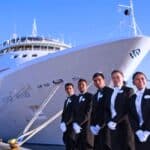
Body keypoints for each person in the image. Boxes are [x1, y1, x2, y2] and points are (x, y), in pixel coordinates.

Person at [105, 70, 135, 150]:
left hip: (125, 125)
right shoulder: (110, 93)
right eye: (113, 78)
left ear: (122, 78)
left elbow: (127, 108)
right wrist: (108, 121)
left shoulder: (129, 90)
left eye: (117, 77)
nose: (115, 79)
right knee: (115, 147)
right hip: (113, 127)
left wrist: (115, 121)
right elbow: (107, 109)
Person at [90, 72, 113, 150]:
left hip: (107, 130)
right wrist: (92, 125)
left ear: (104, 80)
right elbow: (92, 112)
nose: (97, 82)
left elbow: (109, 110)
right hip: (97, 132)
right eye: (95, 81)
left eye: (99, 80)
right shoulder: (94, 96)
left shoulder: (111, 92)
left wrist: (99, 125)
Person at [129, 72, 150, 150]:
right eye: (137, 79)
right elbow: (131, 116)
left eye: (142, 78)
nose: (140, 80)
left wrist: (147, 131)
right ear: (133, 83)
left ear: (146, 80)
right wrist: (138, 131)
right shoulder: (132, 98)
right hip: (139, 134)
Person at [73, 79, 94, 150]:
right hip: (77, 134)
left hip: (86, 131)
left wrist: (78, 124)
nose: (81, 86)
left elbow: (88, 113)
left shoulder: (90, 97)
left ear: (86, 86)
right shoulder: (76, 98)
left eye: (83, 84)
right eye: (79, 85)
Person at [60, 83, 77, 150]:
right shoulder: (66, 101)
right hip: (66, 129)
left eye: (70, 88)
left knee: (72, 146)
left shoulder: (76, 99)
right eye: (67, 89)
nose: (68, 90)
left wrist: (65, 123)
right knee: (67, 146)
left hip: (72, 129)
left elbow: (73, 114)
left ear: (73, 89)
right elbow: (64, 114)